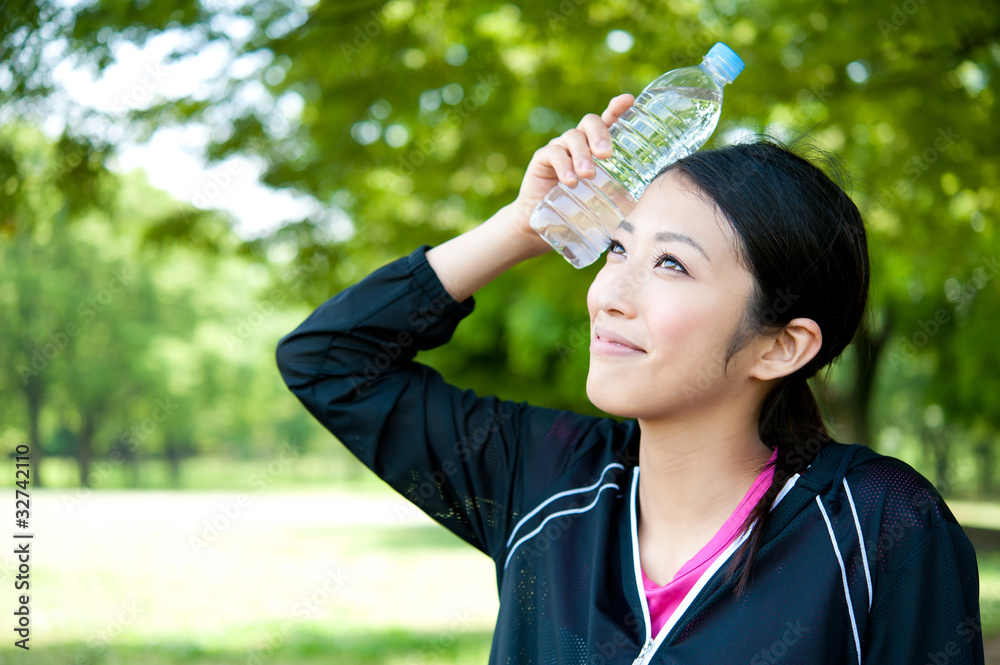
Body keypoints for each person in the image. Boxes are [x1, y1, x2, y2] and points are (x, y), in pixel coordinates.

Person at [275, 93, 984, 664]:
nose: (608, 293)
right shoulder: (543, 475)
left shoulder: (880, 524)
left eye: (670, 263)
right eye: (617, 248)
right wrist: (521, 227)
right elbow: (330, 361)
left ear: (780, 345)